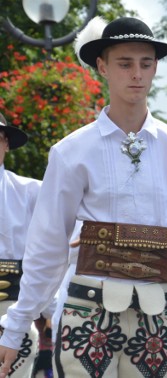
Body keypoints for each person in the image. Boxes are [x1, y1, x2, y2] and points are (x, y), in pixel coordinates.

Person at [0, 16, 167, 378]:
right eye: (124, 63)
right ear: (102, 66)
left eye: (146, 63)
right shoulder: (71, 151)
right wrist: (18, 323)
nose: (136, 73)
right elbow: (46, 245)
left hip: (160, 311)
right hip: (88, 309)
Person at [0, 113, 41, 377]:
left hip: (11, 312)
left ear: (5, 142)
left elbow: (57, 251)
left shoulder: (32, 192)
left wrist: (50, 306)